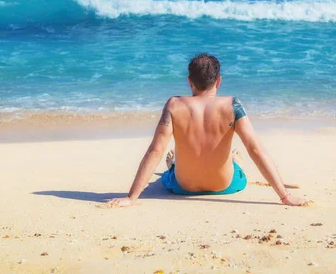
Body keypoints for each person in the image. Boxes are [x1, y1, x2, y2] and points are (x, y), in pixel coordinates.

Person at [106, 53, 309, 207]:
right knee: (237, 167)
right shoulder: (232, 105)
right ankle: (232, 159)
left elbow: (155, 151)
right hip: (225, 186)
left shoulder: (174, 105)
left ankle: (175, 164)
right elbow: (255, 149)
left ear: (189, 81)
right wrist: (285, 196)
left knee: (167, 175)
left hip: (182, 187)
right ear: (218, 81)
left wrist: (131, 197)